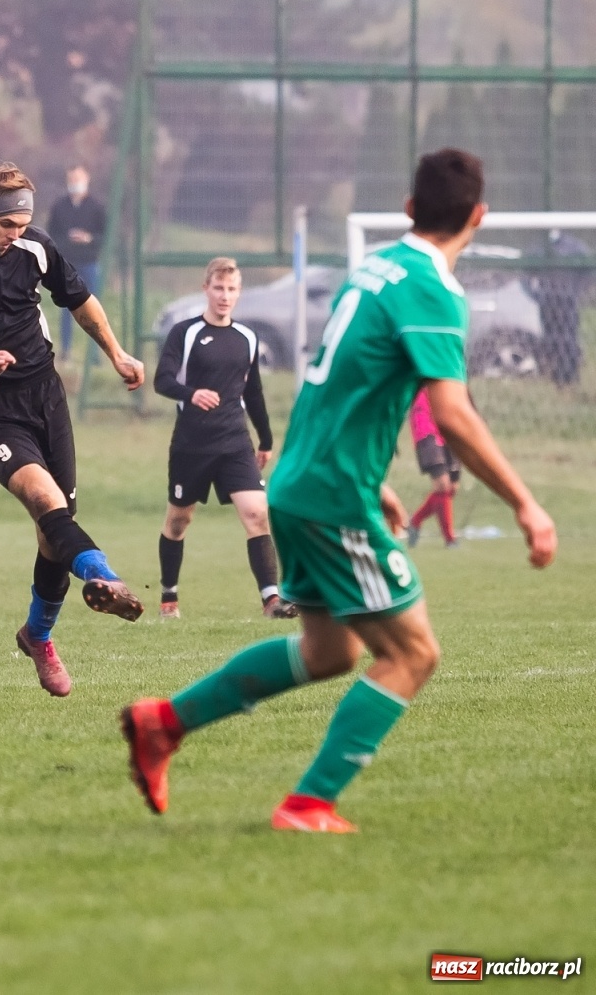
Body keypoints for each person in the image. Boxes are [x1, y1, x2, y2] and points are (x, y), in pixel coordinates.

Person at [122, 149, 558, 834]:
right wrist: (526, 503)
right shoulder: (433, 289)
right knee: (413, 654)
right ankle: (308, 803)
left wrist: (373, 474)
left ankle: (163, 722)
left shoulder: (373, 271)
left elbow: (340, 383)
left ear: (410, 209)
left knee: (330, 652)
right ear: (478, 216)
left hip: (300, 478)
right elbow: (452, 412)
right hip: (330, 493)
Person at [0, 162, 146, 700]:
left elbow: (80, 301)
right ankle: (104, 576)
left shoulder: (36, 247)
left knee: (54, 530)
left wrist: (116, 353)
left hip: (46, 397)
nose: (15, 235)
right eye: (7, 227)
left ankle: (37, 636)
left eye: (22, 226)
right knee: (44, 500)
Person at [153, 257, 294, 620]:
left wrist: (265, 439)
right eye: (218, 288)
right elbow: (162, 380)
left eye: (232, 290)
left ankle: (271, 599)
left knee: (257, 513)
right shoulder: (184, 332)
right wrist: (191, 393)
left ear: (239, 293)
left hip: (235, 441)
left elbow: (255, 393)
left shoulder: (247, 336)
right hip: (192, 445)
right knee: (179, 522)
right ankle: (169, 596)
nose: (225, 296)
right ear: (206, 289)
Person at [46, 164, 107, 357]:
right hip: (67, 264)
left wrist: (89, 239)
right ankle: (66, 351)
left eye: (78, 179)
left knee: (93, 308)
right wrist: (66, 241)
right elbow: (51, 235)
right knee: (66, 308)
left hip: (90, 262)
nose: (75, 183)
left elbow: (106, 236)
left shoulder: (97, 207)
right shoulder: (59, 206)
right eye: (72, 180)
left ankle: (95, 353)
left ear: (87, 179)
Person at [406, 387, 460, 548]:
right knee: (442, 484)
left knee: (451, 487)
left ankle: (414, 521)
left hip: (448, 425)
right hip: (426, 427)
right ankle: (450, 539)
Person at [539, 229, 590, 388]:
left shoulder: (574, 247)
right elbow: (527, 273)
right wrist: (536, 293)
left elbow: (589, 268)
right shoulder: (540, 246)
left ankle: (570, 375)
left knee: (568, 337)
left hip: (567, 301)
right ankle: (556, 376)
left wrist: (578, 289)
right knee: (551, 337)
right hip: (547, 301)